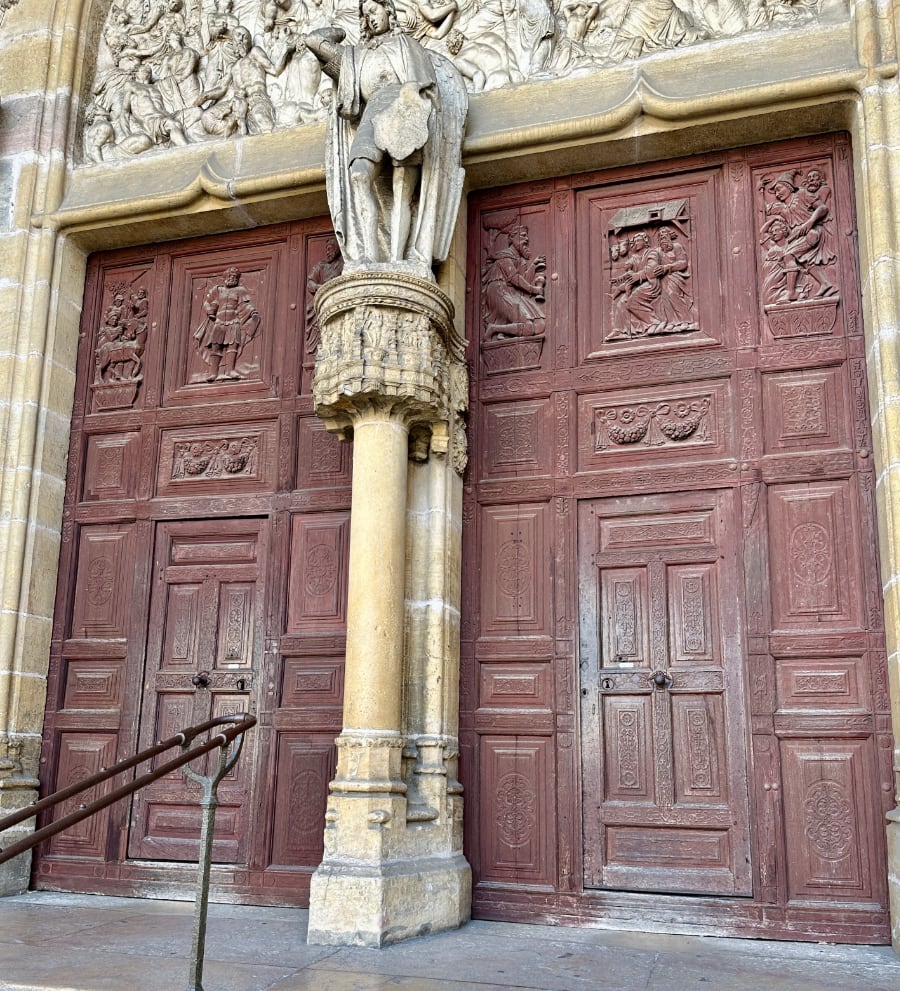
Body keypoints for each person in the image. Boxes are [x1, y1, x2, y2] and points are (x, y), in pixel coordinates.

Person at [306, 0, 467, 272]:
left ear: (389, 11)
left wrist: (411, 112)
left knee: (403, 188)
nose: (370, 18)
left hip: (405, 111)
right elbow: (314, 41)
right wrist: (343, 32)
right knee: (359, 175)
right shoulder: (356, 56)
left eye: (374, 10)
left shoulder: (407, 45)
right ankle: (368, 255)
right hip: (372, 113)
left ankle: (396, 260)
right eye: (365, 14)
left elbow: (427, 88)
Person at [193, 267, 261, 381]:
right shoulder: (218, 290)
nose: (232, 278)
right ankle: (213, 373)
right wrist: (209, 310)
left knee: (232, 346)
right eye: (230, 276)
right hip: (219, 322)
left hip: (233, 321)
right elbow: (207, 302)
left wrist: (252, 311)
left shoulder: (240, 290)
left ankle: (230, 371)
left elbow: (244, 305)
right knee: (216, 346)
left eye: (235, 277)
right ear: (225, 277)